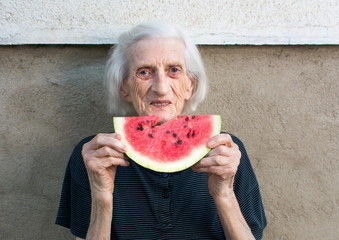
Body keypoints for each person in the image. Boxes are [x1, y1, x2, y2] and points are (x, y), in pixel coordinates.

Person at [56, 21, 267, 240]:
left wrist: (224, 194)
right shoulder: (95, 155)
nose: (161, 87)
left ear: (190, 86)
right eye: (144, 72)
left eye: (174, 70)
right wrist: (101, 195)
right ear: (124, 88)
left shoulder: (226, 153)